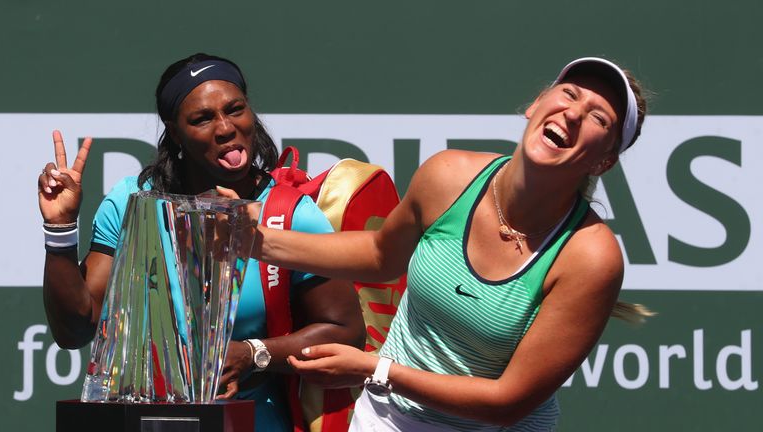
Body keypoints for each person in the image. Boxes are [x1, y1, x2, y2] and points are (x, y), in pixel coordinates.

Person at [235, 57, 649, 431]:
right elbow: (381, 255)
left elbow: (507, 403)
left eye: (599, 117)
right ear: (537, 104)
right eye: (570, 94)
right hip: (385, 419)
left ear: (604, 161)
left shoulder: (591, 256)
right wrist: (257, 241)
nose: (574, 113)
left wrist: (376, 369)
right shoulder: (448, 176)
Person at [37, 53, 365, 432]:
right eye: (202, 118)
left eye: (235, 109)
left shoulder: (290, 213)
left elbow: (345, 331)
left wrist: (254, 353)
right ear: (175, 133)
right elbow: (73, 331)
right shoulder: (131, 203)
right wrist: (60, 230)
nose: (225, 128)